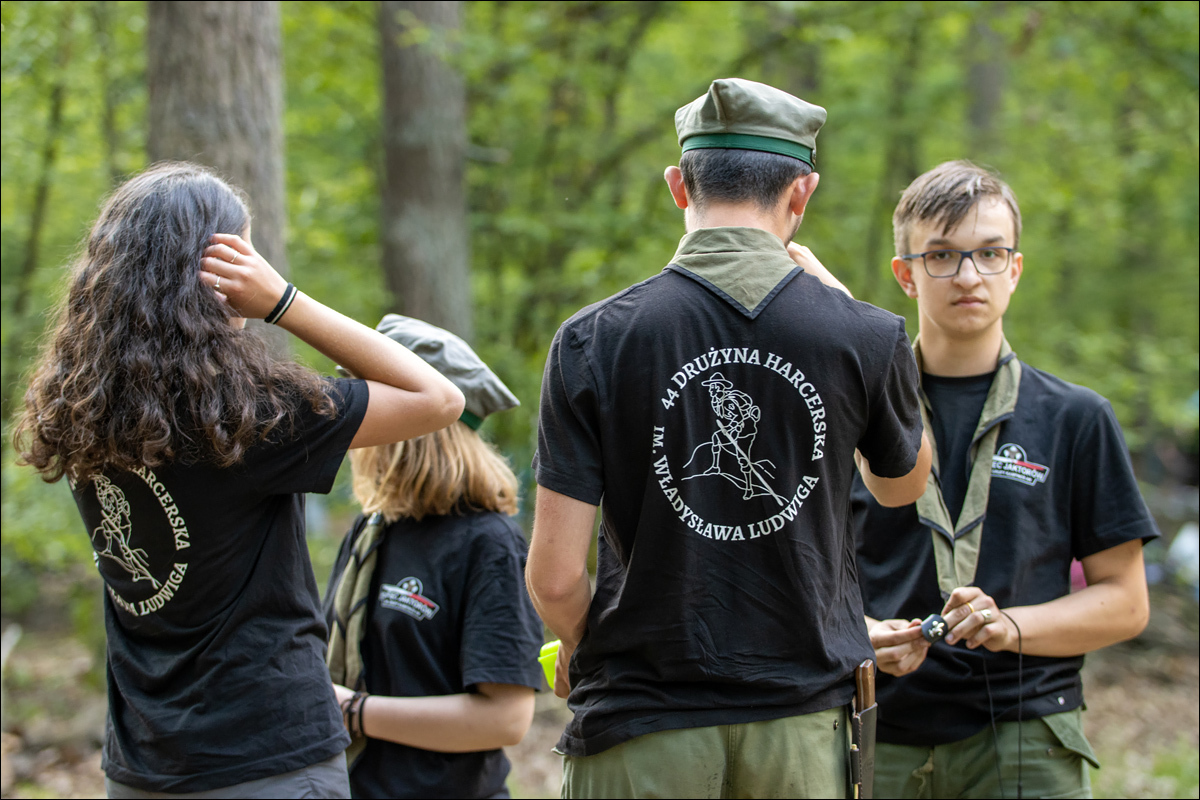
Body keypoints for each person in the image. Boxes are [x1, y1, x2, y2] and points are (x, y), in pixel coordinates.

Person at [525, 77, 933, 799]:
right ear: (802, 193)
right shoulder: (865, 335)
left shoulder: (594, 339)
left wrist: (592, 649)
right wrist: (851, 316)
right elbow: (902, 485)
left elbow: (554, 578)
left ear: (679, 185)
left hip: (640, 725)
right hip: (802, 731)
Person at [13, 162, 465, 798]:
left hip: (143, 765)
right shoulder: (248, 419)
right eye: (246, 255)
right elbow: (438, 398)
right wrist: (283, 301)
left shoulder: (83, 409)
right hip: (269, 760)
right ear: (222, 277)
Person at [852, 160, 1157, 799]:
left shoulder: (1077, 418)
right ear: (905, 274)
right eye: (942, 255)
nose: (969, 275)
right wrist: (857, 633)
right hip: (876, 732)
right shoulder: (851, 417)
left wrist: (1012, 626)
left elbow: (1126, 602)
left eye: (990, 254)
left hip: (1028, 735)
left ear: (1015, 269)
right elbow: (802, 577)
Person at [323, 314, 544, 800]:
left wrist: (354, 711)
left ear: (414, 424)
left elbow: (505, 719)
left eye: (370, 400)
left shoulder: (489, 543)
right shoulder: (372, 527)